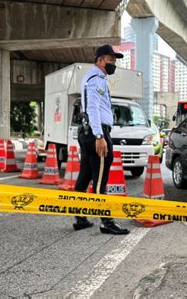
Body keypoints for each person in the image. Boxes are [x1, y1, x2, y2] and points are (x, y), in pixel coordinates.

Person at [73, 45, 129, 235]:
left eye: (114, 60)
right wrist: (99, 136)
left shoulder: (92, 78)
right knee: (100, 180)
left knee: (85, 176)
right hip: (96, 133)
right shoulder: (96, 79)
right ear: (99, 60)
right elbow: (93, 109)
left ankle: (80, 217)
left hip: (87, 132)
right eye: (110, 59)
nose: (113, 63)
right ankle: (106, 222)